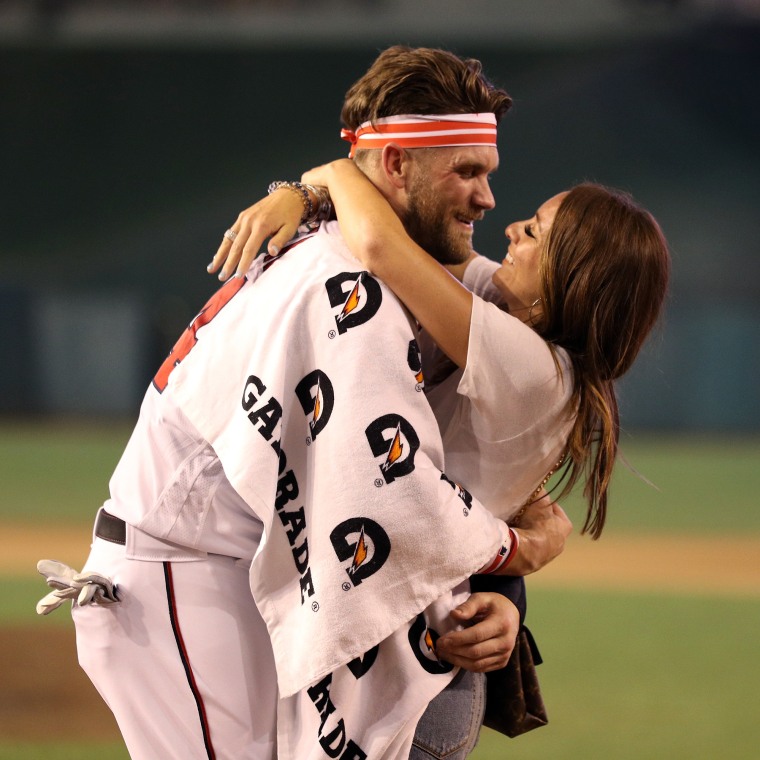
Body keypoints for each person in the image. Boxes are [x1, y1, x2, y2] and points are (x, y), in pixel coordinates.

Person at [36, 46, 571, 760]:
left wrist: (316, 186)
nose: (488, 199)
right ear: (394, 166)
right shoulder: (351, 285)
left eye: (488, 173)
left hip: (225, 578)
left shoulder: (362, 251)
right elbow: (389, 496)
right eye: (465, 171)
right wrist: (517, 549)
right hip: (179, 582)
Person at [209, 65, 670, 759]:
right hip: (408, 641)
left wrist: (321, 176)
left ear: (567, 280)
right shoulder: (522, 329)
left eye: (538, 232)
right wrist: (526, 552)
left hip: (411, 667)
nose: (512, 224)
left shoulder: (531, 364)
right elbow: (401, 227)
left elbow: (379, 245)